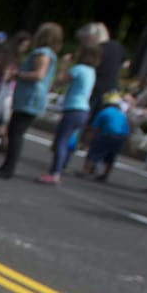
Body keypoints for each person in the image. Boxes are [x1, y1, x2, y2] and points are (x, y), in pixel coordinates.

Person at [0, 21, 60, 179]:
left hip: (30, 97)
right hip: (34, 97)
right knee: (15, 131)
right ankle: (7, 165)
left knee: (15, 132)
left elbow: (38, 74)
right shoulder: (50, 54)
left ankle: (8, 168)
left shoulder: (42, 52)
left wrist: (17, 74)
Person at [39, 38, 97, 184]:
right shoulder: (91, 71)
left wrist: (63, 64)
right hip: (84, 110)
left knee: (61, 141)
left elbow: (59, 81)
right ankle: (60, 167)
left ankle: (55, 172)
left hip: (73, 109)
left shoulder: (78, 69)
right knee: (68, 140)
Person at [83, 95, 130, 179]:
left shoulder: (104, 112)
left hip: (108, 134)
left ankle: (86, 171)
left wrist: (87, 143)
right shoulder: (121, 113)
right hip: (121, 136)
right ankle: (105, 175)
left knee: (94, 152)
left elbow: (94, 129)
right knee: (111, 156)